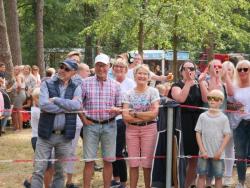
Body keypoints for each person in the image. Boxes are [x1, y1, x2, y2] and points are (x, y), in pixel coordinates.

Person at [30, 59, 82, 188]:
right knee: (38, 171)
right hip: (45, 135)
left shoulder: (76, 87)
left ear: (74, 73)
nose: (62, 70)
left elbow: (77, 105)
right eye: (61, 66)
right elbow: (44, 105)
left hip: (65, 137)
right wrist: (67, 107)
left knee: (60, 173)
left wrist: (56, 100)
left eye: (67, 69)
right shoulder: (46, 84)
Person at [81, 53, 122, 188]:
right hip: (90, 125)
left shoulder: (116, 85)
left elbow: (121, 106)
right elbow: (78, 104)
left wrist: (116, 110)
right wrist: (84, 120)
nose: (101, 69)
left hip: (109, 125)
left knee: (108, 161)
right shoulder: (85, 83)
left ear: (109, 67)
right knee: (89, 161)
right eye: (98, 65)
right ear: (95, 66)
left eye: (104, 66)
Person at [169, 61, 206, 188]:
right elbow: (180, 99)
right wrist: (188, 83)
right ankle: (177, 183)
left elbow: (206, 99)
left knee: (194, 158)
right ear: (181, 71)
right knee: (181, 157)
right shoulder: (176, 85)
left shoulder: (199, 85)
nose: (189, 70)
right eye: (185, 68)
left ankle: (187, 184)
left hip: (197, 123)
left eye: (191, 68)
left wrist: (200, 82)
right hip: (182, 123)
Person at [122, 64, 160, 188]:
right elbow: (125, 116)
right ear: (134, 76)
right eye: (139, 73)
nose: (142, 76)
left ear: (149, 77)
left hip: (149, 129)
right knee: (133, 163)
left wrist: (136, 113)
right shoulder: (128, 93)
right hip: (131, 131)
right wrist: (144, 114)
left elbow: (154, 114)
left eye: (145, 74)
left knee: (147, 164)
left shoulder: (153, 92)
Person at [195, 89, 231, 188]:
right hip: (204, 153)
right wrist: (202, 150)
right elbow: (198, 133)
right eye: (210, 98)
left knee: (219, 176)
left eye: (215, 99)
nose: (212, 100)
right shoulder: (202, 116)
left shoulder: (224, 118)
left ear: (221, 101)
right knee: (201, 175)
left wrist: (220, 151)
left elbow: (227, 135)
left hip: (218, 154)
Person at [111, 57, 135, 188]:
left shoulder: (131, 83)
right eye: (117, 67)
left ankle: (123, 182)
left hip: (123, 121)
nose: (119, 69)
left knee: (117, 152)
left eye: (122, 67)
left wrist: (121, 110)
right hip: (109, 120)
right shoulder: (110, 82)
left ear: (126, 69)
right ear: (113, 69)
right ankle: (115, 178)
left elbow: (133, 103)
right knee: (110, 151)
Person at [23, 88, 54, 188]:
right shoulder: (37, 111)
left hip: (42, 138)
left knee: (44, 165)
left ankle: (29, 182)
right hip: (38, 139)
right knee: (46, 166)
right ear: (35, 99)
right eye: (41, 98)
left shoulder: (40, 109)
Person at [231, 60, 250, 188]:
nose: (242, 71)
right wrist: (233, 105)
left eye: (245, 69)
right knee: (240, 154)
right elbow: (226, 104)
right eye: (239, 69)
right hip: (239, 124)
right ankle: (241, 181)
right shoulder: (233, 86)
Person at [221, 61, 236, 186]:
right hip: (218, 122)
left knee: (229, 149)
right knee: (216, 148)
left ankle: (228, 176)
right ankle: (217, 174)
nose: (227, 72)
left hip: (232, 122)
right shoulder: (217, 84)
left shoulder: (237, 85)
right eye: (225, 69)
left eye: (230, 69)